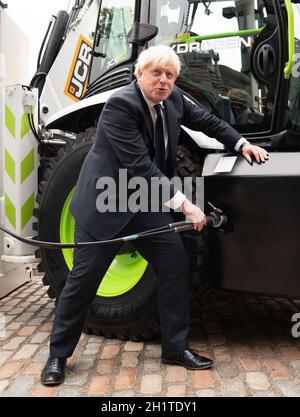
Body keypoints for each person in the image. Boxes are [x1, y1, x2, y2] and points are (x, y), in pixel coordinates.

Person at [41, 45, 269, 386]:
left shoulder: (173, 99)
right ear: (139, 74)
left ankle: (175, 347)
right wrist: (187, 205)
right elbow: (141, 167)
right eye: (157, 74)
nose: (164, 82)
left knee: (174, 259)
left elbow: (206, 121)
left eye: (170, 75)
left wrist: (241, 144)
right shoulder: (120, 106)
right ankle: (58, 355)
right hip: (107, 203)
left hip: (143, 202)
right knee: (84, 282)